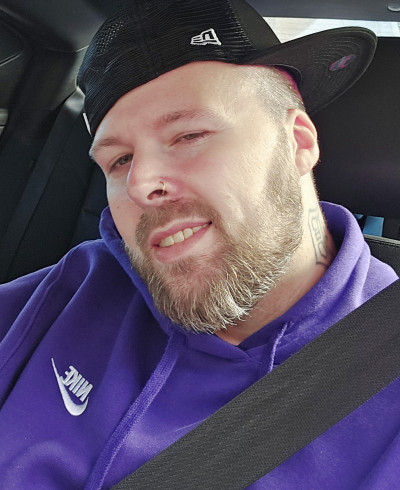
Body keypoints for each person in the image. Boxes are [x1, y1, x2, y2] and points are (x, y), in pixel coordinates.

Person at [0, 0, 398, 488]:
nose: (140, 184)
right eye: (120, 161)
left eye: (189, 134)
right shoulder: (74, 287)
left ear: (297, 142)